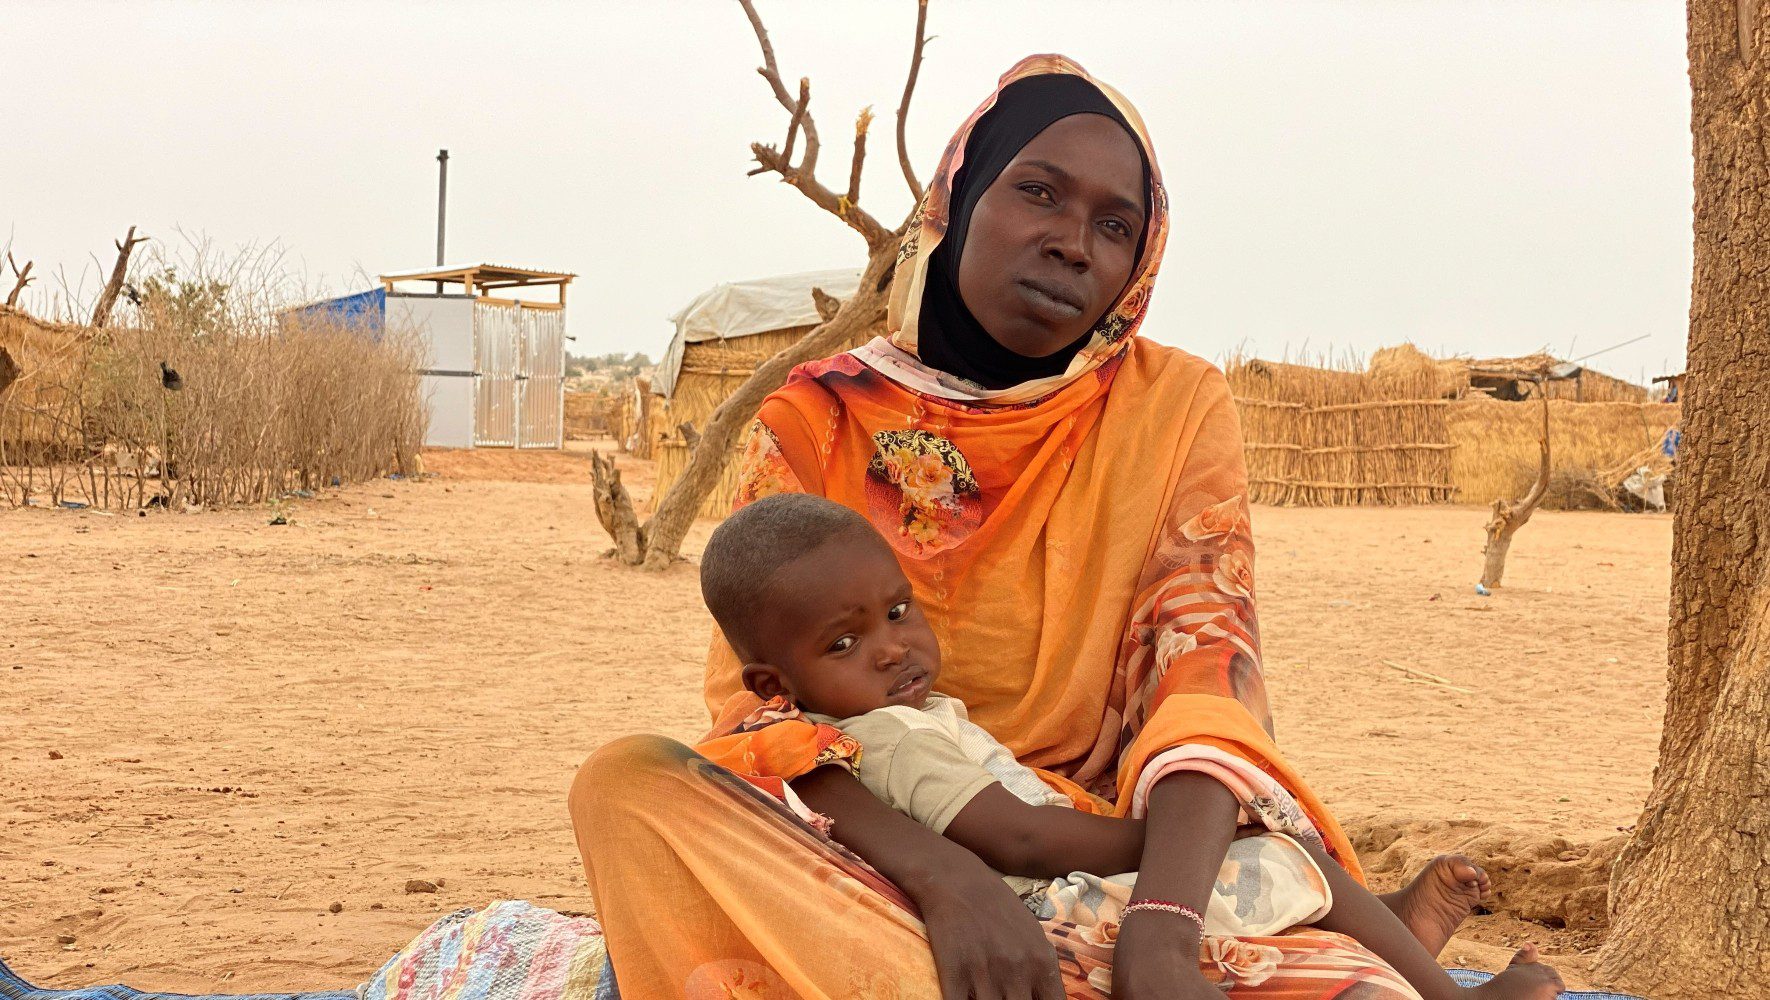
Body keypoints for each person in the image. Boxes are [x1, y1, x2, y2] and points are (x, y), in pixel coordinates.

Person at [572, 56, 1510, 999]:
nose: (1074, 244)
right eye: (1038, 193)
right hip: (875, 854)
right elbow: (763, 716)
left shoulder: (1173, 407)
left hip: (1116, 857)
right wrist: (947, 878)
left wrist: (1162, 930)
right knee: (626, 786)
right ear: (961, 199)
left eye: (1115, 225)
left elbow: (1203, 671)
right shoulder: (819, 416)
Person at [695, 492, 1565, 1000]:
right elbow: (1018, 838)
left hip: (1066, 888)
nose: (892, 648)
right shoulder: (884, 737)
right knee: (1275, 847)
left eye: (895, 612)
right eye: (843, 645)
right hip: (1064, 908)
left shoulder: (874, 726)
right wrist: (1179, 843)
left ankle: (1392, 928)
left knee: (1267, 845)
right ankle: (1447, 996)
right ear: (775, 685)